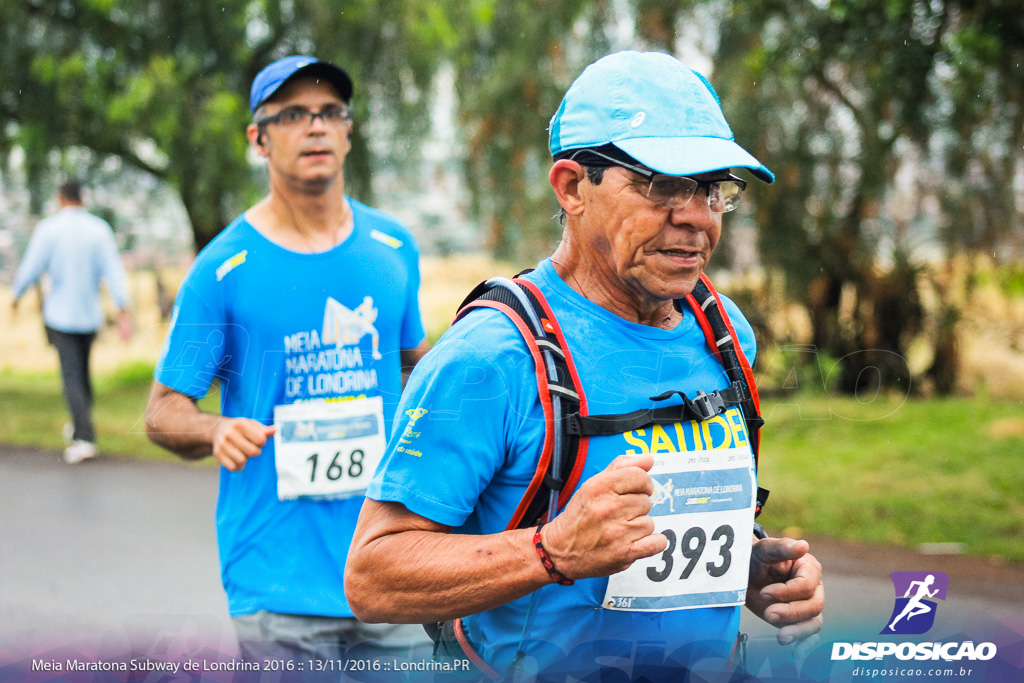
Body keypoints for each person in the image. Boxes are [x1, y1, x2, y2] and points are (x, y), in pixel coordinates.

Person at [346, 51, 824, 680]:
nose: (697, 217)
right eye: (662, 185)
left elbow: (675, 526)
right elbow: (374, 575)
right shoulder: (492, 356)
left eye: (713, 189)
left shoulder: (723, 331)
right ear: (572, 187)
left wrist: (750, 563)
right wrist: (553, 551)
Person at [144, 55, 430, 667]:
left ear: (349, 131)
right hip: (277, 581)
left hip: (389, 563)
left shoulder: (392, 249)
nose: (317, 127)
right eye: (295, 115)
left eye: (331, 113)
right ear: (259, 138)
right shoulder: (221, 270)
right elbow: (162, 412)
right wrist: (214, 428)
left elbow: (419, 369)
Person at [11, 180, 132, 464]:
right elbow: (113, 270)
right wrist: (123, 304)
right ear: (82, 198)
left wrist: (16, 294)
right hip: (90, 315)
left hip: (61, 315)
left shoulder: (49, 229)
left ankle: (84, 436)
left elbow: (32, 265)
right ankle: (81, 424)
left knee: (71, 377)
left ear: (61, 198)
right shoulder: (99, 229)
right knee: (83, 373)